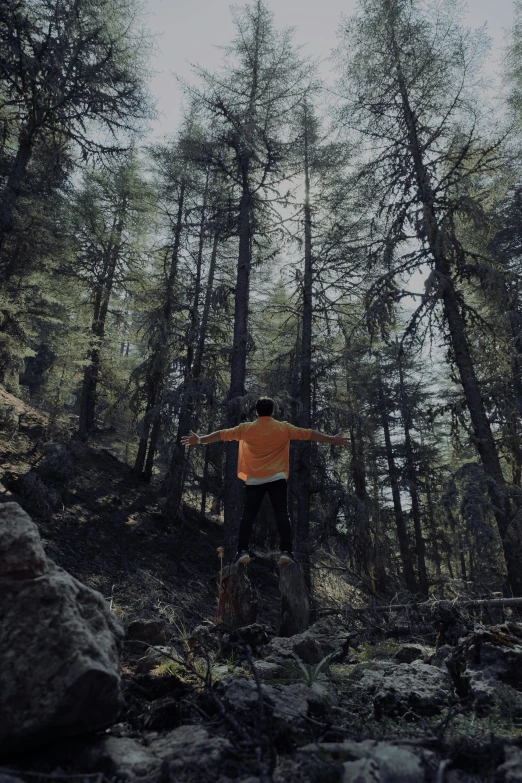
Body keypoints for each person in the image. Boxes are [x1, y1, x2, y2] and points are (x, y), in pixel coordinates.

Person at [181, 396, 349, 565]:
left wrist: (200, 439)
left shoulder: (246, 429)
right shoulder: (283, 428)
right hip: (277, 478)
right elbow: (308, 434)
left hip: (254, 479)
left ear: (256, 412)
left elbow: (222, 435)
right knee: (282, 514)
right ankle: (286, 552)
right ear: (273, 411)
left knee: (248, 515)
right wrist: (331, 439)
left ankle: (243, 551)